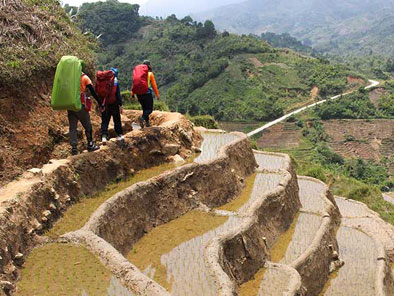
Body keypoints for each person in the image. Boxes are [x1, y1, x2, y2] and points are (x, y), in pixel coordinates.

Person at [68, 70, 103, 155]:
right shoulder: (84, 78)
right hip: (80, 105)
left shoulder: (69, 78)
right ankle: (90, 145)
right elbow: (93, 92)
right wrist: (100, 103)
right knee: (88, 126)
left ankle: (74, 149)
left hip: (70, 106)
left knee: (73, 127)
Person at [131, 60, 160, 128]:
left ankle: (147, 123)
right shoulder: (150, 74)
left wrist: (132, 94)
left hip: (139, 94)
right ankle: (142, 118)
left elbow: (134, 84)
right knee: (149, 109)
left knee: (144, 109)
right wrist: (157, 94)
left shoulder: (139, 74)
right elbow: (154, 85)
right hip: (147, 93)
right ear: (149, 66)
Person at [101, 67, 124, 144]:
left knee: (105, 121)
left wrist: (100, 104)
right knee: (116, 119)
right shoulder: (115, 81)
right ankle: (119, 135)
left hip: (104, 103)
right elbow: (117, 94)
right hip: (114, 103)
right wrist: (120, 105)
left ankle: (104, 136)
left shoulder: (102, 80)